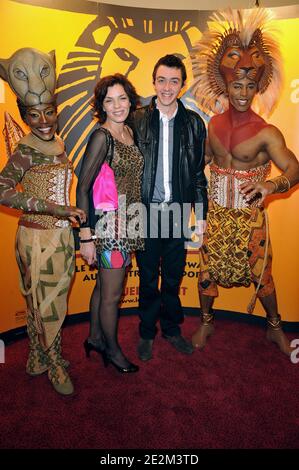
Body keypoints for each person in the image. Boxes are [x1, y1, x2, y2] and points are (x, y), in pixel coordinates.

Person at [191, 9, 299, 355]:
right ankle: (206, 322)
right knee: (205, 270)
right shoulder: (212, 125)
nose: (243, 92)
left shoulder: (267, 133)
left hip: (250, 219)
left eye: (250, 85)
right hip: (217, 216)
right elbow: (205, 161)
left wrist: (271, 187)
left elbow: (295, 169)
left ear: (258, 87)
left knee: (262, 274)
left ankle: (274, 327)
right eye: (237, 84)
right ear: (225, 84)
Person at [0, 48, 86, 395]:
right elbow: (2, 189)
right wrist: (53, 208)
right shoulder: (25, 149)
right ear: (26, 117)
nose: (44, 120)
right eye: (34, 115)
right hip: (37, 239)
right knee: (47, 304)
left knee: (44, 301)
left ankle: (36, 356)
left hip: (59, 239)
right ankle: (54, 364)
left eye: (49, 112)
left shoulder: (59, 144)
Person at [129, 54, 208, 361]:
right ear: (153, 82)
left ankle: (172, 330)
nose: (167, 87)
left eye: (174, 81)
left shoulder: (193, 124)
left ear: (182, 85)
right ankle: (147, 333)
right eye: (161, 80)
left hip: (177, 213)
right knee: (148, 277)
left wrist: (200, 214)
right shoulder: (137, 120)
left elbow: (199, 173)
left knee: (173, 277)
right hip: (145, 212)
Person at [76, 73, 144, 373]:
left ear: (130, 100)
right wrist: (86, 236)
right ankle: (112, 350)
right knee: (113, 295)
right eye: (109, 100)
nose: (117, 106)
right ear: (101, 106)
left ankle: (93, 337)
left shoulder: (128, 131)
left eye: (122, 98)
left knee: (104, 288)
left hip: (129, 221)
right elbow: (83, 187)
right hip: (109, 226)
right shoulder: (102, 136)